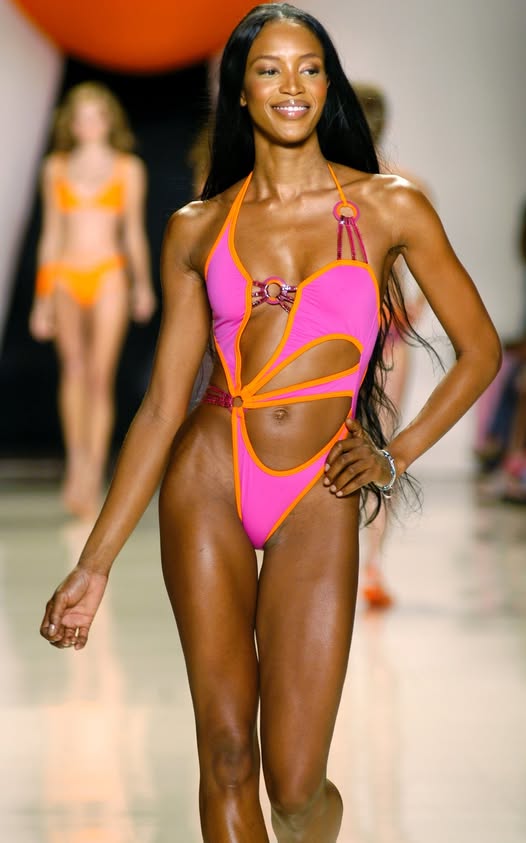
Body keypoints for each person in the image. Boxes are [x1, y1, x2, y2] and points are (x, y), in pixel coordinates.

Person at [40, 5, 501, 842]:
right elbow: (160, 406)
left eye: (309, 68)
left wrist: (393, 456)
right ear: (241, 93)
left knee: (293, 786)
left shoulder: (389, 206)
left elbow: (479, 350)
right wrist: (93, 565)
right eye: (269, 69)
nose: (292, 85)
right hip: (209, 476)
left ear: (328, 87)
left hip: (319, 487)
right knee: (225, 757)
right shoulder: (198, 226)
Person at [29, 82, 156, 517]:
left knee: (100, 376)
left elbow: (133, 232)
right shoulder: (55, 167)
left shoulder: (128, 168)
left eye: (95, 115)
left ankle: (93, 470)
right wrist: (41, 299)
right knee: (74, 371)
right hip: (65, 274)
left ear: (108, 120)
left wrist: (142, 285)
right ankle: (76, 464)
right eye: (80, 116)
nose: (88, 124)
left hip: (109, 274)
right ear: (70, 122)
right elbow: (50, 234)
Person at [353, 82, 428, 609]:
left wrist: (410, 307)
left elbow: (428, 260)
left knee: (383, 448)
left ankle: (372, 564)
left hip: (380, 327)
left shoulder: (395, 186)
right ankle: (367, 564)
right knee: (380, 446)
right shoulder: (402, 185)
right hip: (372, 326)